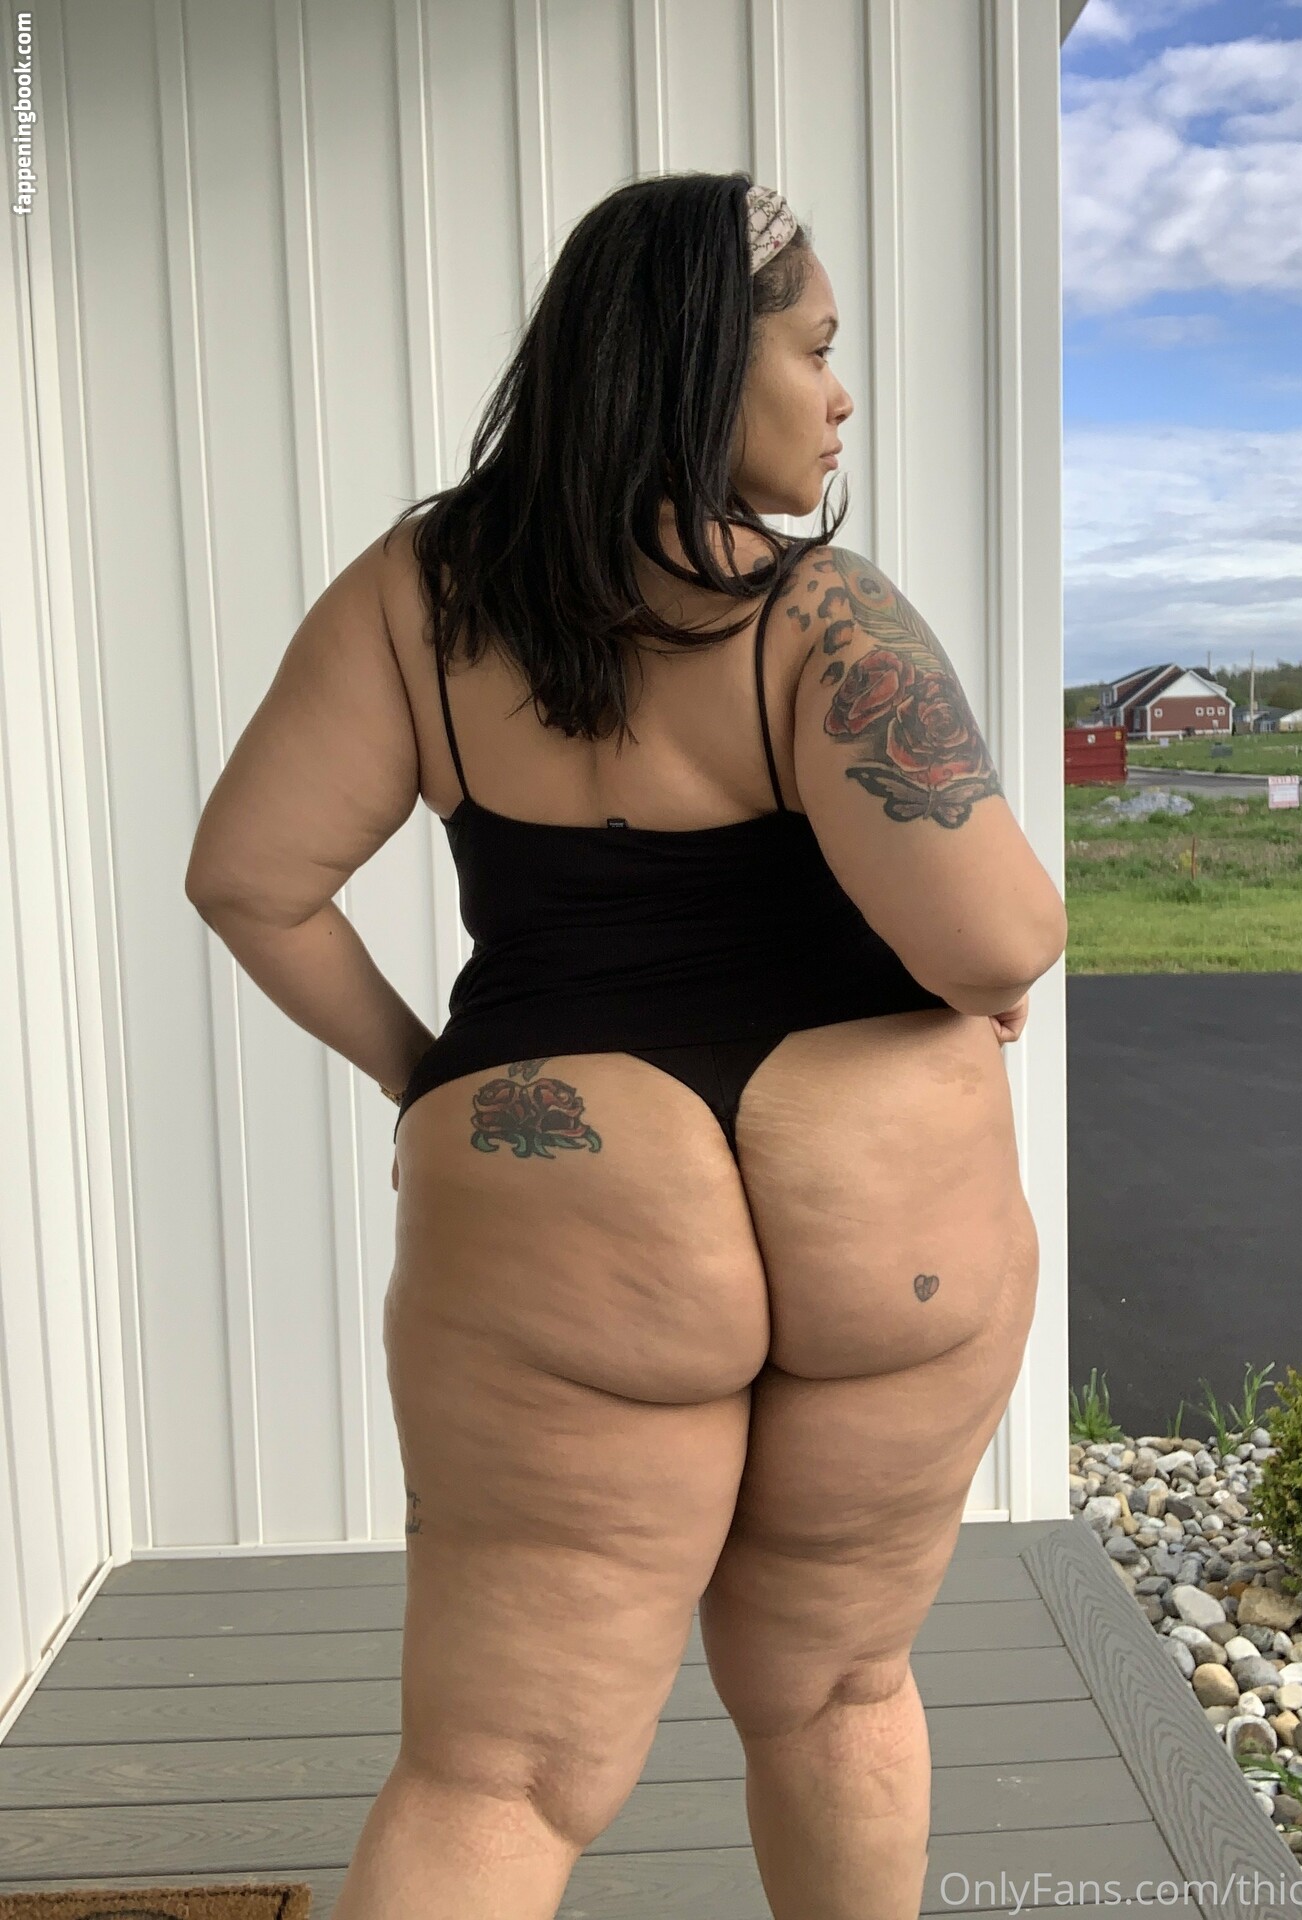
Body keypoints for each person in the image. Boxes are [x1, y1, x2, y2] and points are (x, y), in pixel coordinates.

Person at [185, 172, 1066, 1920]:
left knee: (496, 1776)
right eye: (814, 350)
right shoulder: (824, 615)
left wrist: (427, 1075)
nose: (840, 397)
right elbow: (999, 940)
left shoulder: (421, 593)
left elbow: (250, 881)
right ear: (704, 361)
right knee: (840, 1694)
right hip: (880, 1191)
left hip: (571, 1192)